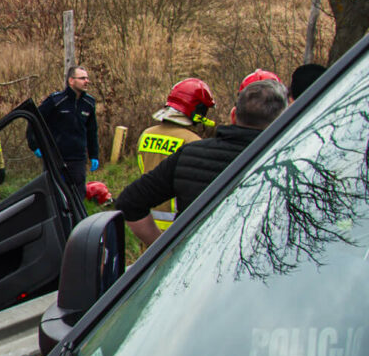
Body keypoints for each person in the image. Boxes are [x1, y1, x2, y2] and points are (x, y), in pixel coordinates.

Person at [114, 79, 288, 248]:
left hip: (164, 234)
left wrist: (162, 249)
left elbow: (131, 198)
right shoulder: (288, 165)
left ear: (233, 114)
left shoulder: (148, 134)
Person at [135, 77, 215, 233]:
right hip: (176, 225)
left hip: (146, 221)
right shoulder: (193, 141)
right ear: (197, 109)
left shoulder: (146, 134)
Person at [37, 66, 98, 196]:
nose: (86, 81)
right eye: (82, 78)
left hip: (78, 159)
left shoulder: (89, 103)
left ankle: (76, 217)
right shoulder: (56, 101)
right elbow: (36, 121)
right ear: (71, 80)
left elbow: (92, 131)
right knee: (53, 194)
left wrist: (94, 155)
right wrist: (35, 145)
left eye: (87, 78)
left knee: (77, 195)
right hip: (56, 157)